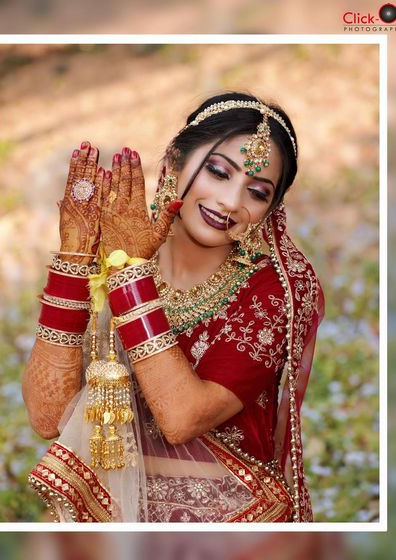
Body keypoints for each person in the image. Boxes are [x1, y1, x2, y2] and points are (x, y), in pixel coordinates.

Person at [23, 92, 324, 523]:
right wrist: (74, 257)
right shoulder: (117, 247)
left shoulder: (278, 290)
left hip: (226, 522)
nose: (230, 201)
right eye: (218, 172)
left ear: (271, 210)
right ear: (172, 165)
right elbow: (47, 417)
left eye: (257, 192)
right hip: (109, 512)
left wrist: (130, 276)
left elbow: (182, 418)